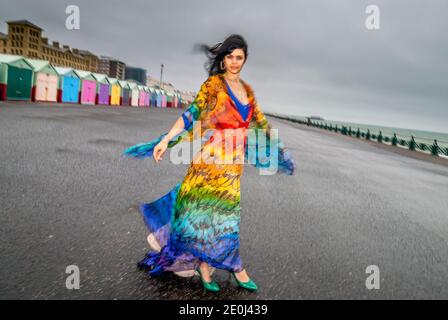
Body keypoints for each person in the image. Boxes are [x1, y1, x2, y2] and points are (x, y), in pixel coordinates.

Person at [123, 34, 296, 292]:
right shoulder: (214, 86)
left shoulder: (248, 92)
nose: (234, 62)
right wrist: (167, 139)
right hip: (209, 162)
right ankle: (236, 268)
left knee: (218, 217)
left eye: (239, 57)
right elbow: (191, 114)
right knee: (213, 216)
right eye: (230, 57)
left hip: (232, 168)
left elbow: (260, 125)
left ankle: (206, 266)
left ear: (245, 60)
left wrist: (279, 153)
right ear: (223, 59)